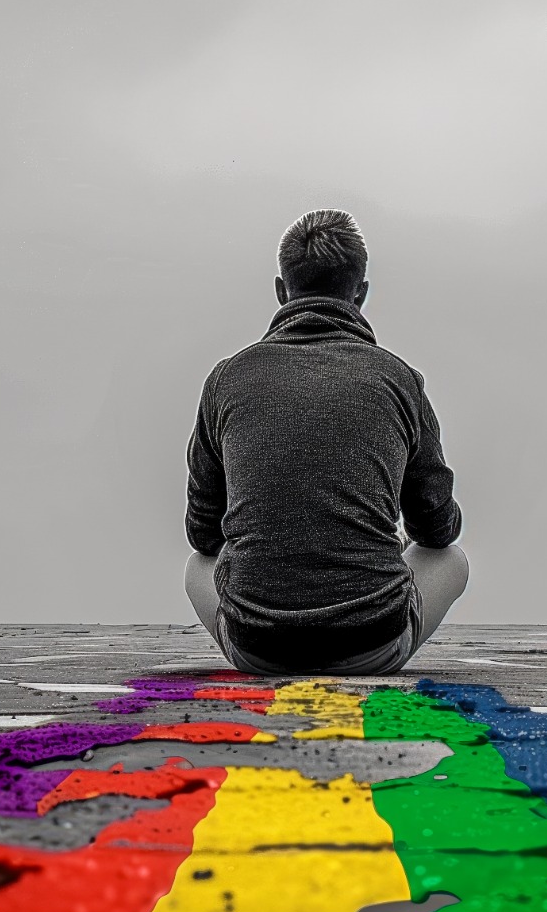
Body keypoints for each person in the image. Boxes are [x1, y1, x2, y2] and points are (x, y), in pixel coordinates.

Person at [183, 210, 469, 676]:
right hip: (372, 644)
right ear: (361, 293)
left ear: (281, 291)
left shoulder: (226, 379)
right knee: (451, 559)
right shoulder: (398, 379)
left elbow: (202, 535)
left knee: (197, 564)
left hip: (259, 649)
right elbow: (438, 532)